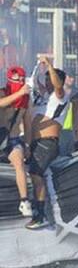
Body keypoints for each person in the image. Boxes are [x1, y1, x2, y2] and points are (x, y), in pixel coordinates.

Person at [25, 57, 68, 230]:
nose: (48, 81)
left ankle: (40, 215)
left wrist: (50, 65)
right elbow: (35, 83)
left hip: (47, 143)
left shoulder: (60, 97)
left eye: (50, 78)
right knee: (30, 174)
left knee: (36, 174)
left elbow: (58, 86)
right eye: (47, 78)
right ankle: (34, 209)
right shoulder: (44, 97)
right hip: (35, 143)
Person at [0, 67, 31, 216]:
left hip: (12, 138)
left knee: (19, 163)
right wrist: (19, 93)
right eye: (17, 79)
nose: (21, 82)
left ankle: (24, 201)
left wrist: (28, 144)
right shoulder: (3, 92)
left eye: (22, 79)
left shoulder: (26, 99)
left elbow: (28, 124)